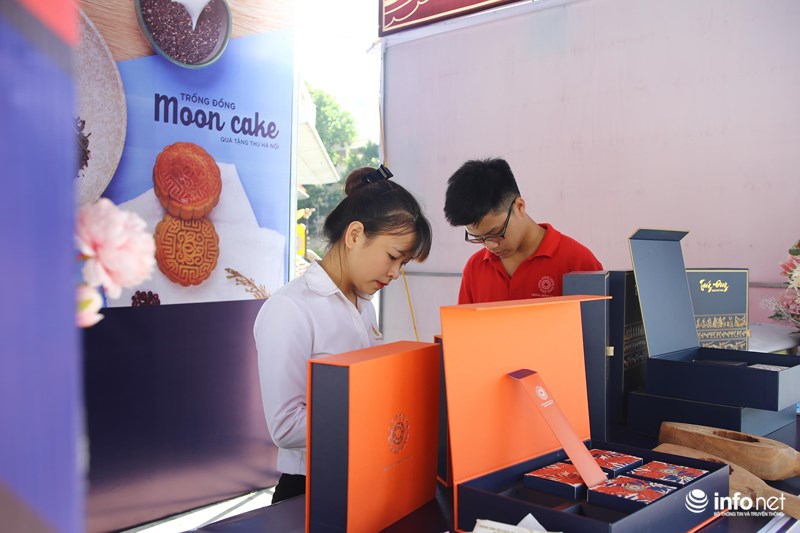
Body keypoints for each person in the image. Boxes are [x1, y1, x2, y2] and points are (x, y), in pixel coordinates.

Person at [254, 165, 432, 503]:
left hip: (367, 475)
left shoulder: (364, 304)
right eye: (393, 257)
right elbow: (285, 427)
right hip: (310, 487)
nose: (395, 273)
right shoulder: (290, 309)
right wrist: (374, 416)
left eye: (403, 264)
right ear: (354, 236)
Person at [443, 157, 602, 304]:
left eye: (495, 233)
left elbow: (596, 324)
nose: (490, 246)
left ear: (519, 206)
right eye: (479, 238)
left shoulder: (577, 262)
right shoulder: (475, 267)